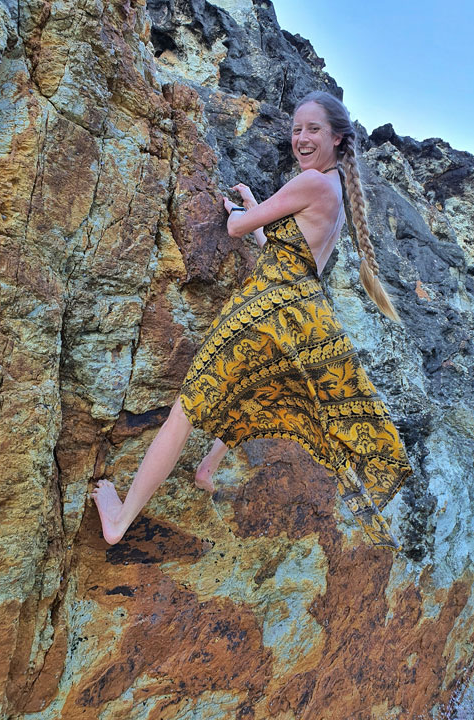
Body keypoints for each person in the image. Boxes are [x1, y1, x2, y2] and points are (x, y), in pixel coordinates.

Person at [91, 91, 413, 551]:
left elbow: (237, 229)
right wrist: (259, 207)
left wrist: (243, 211)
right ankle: (207, 469)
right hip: (297, 312)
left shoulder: (312, 184)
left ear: (338, 138)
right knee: (257, 390)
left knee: (185, 411)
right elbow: (284, 252)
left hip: (261, 313)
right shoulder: (334, 192)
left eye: (313, 129)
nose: (301, 137)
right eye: (297, 128)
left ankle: (119, 521)